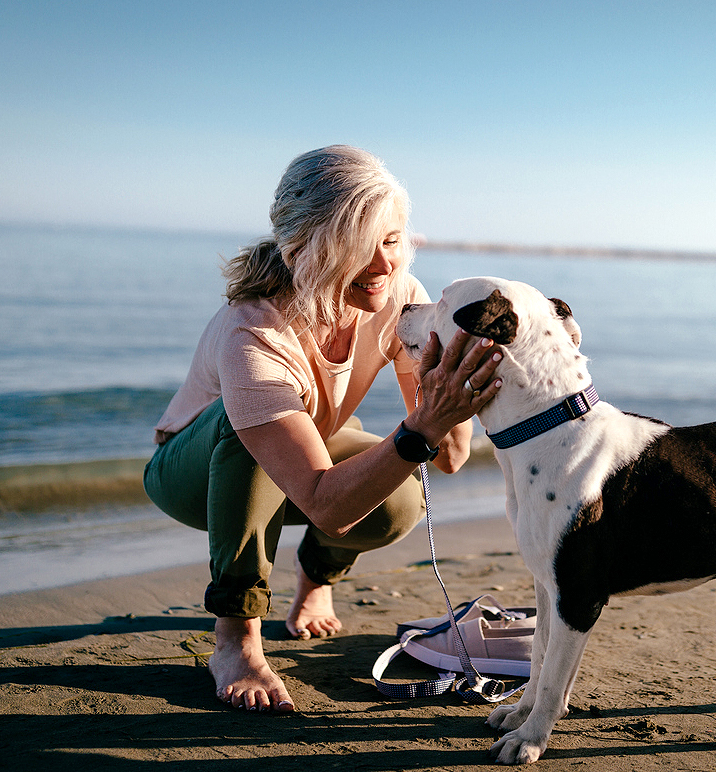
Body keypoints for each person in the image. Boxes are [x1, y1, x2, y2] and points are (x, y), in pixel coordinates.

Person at [143, 145, 503, 713]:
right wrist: (423, 424)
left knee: (399, 500)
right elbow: (328, 505)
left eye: (392, 240)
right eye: (361, 248)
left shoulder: (399, 295)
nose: (385, 265)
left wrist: (457, 367)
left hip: (305, 450)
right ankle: (235, 639)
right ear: (303, 248)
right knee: (247, 435)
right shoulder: (254, 334)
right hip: (194, 475)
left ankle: (315, 578)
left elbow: (449, 457)